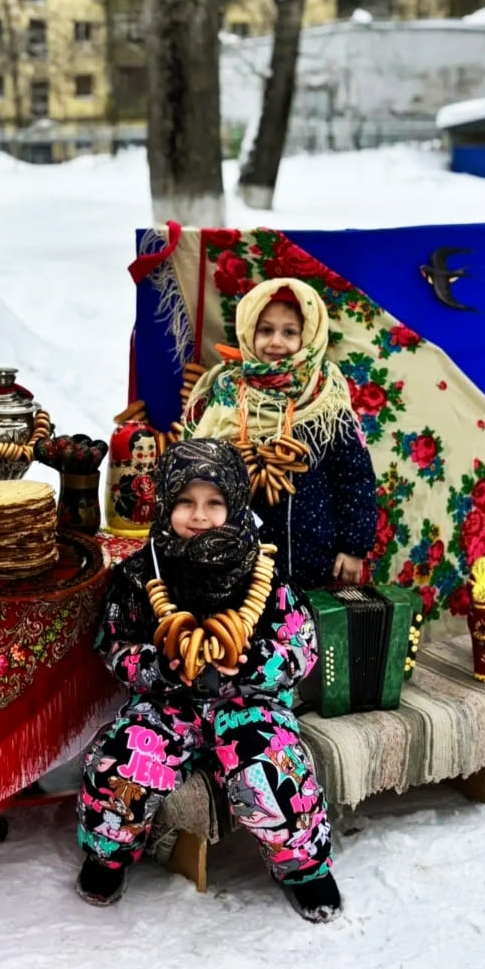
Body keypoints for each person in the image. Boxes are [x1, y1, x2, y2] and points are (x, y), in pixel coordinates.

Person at [76, 439, 339, 921]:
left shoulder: (265, 574)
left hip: (248, 703)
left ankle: (306, 868)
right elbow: (114, 645)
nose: (199, 515)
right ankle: (106, 855)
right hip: (166, 704)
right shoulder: (140, 574)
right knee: (123, 765)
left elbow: (301, 649)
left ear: (235, 503)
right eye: (185, 501)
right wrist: (157, 666)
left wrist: (255, 662)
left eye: (214, 502)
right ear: (165, 503)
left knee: (272, 775)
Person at [183, 276, 377, 591]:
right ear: (248, 332)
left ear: (309, 336)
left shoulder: (326, 404)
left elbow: (355, 480)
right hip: (237, 561)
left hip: (312, 561)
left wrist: (353, 548)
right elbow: (198, 469)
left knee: (308, 619)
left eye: (289, 332)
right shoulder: (228, 395)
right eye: (265, 330)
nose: (276, 342)